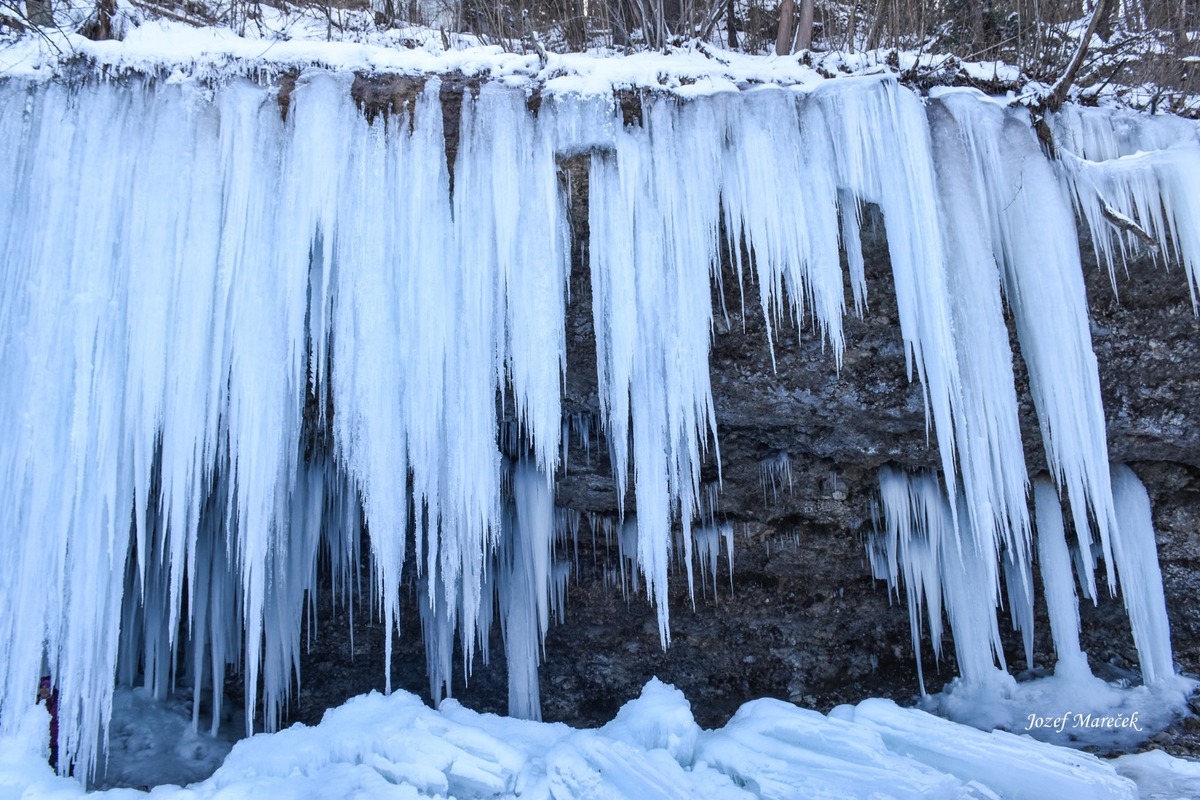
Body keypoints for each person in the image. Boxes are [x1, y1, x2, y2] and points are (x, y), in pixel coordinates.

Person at [36, 676, 59, 771]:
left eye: (47, 687)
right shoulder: (36, 702)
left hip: (55, 743)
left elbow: (53, 719)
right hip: (39, 743)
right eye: (41, 687)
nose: (44, 690)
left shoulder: (57, 701)